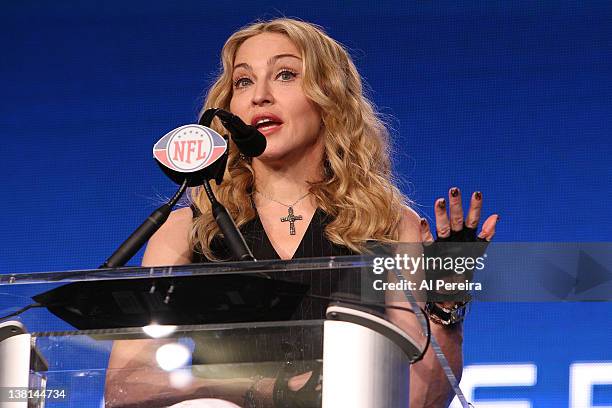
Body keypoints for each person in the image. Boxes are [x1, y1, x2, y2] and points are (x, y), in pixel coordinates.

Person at [105, 18, 499, 408]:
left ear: (329, 98)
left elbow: (419, 401)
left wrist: (446, 306)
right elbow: (126, 389)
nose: (259, 95)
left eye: (285, 75)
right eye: (243, 81)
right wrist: (260, 388)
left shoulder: (388, 225)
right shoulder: (190, 232)